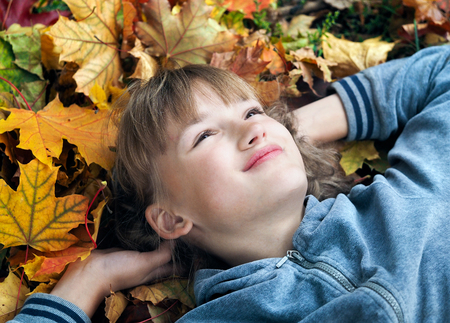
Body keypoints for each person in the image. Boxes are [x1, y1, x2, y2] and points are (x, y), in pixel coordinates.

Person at [9, 45, 450, 323]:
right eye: (203, 136)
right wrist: (89, 279)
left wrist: (292, 127)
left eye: (252, 113)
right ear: (170, 217)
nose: (254, 131)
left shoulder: (408, 197)